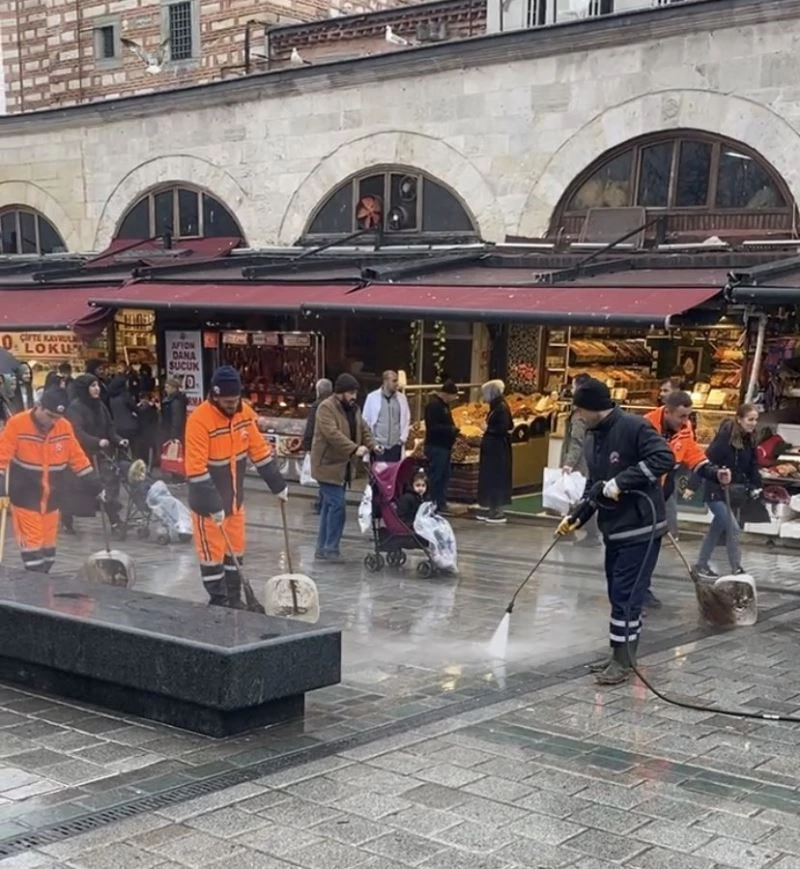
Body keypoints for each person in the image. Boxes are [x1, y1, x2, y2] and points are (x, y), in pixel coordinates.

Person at [556, 378, 675, 686]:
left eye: (581, 410)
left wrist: (622, 481)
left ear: (596, 408)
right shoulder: (596, 437)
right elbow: (597, 486)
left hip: (642, 526)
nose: (579, 417)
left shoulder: (634, 427)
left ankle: (624, 661)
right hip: (616, 529)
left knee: (627, 594)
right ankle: (617, 653)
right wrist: (577, 516)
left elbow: (664, 459)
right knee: (616, 593)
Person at [186, 366, 288, 608]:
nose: (233, 406)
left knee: (235, 555)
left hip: (235, 502)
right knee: (212, 559)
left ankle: (235, 599)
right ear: (216, 395)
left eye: (235, 400)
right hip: (207, 506)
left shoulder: (244, 414)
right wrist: (213, 505)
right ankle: (219, 602)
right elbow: (196, 469)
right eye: (228, 401)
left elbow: (260, 451)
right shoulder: (199, 420)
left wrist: (278, 484)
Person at [0, 388, 103, 573]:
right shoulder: (17, 424)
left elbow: (77, 457)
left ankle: (42, 585)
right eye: (50, 416)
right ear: (39, 407)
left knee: (49, 551)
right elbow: (2, 455)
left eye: (57, 417)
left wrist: (94, 483)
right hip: (25, 496)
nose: (53, 422)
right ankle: (35, 589)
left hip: (53, 498)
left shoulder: (63, 426)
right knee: (33, 548)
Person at [644, 391, 732, 605]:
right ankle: (633, 594)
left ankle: (643, 589)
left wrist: (714, 472)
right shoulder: (645, 427)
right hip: (642, 496)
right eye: (682, 416)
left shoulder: (684, 430)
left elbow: (694, 457)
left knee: (652, 545)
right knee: (640, 545)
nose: (686, 422)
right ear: (667, 412)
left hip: (662, 494)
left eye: (689, 416)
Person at [310, 373, 378, 562]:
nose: (353, 396)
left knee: (329, 507)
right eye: (350, 392)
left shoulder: (354, 408)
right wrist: (354, 448)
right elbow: (332, 434)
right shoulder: (326, 408)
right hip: (326, 465)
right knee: (337, 505)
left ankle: (322, 548)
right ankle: (331, 548)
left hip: (343, 467)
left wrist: (373, 445)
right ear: (339, 392)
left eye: (355, 392)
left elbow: (364, 428)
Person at [690, 404, 761, 579]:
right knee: (733, 528)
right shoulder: (725, 438)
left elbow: (751, 465)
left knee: (717, 528)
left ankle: (701, 564)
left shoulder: (749, 440)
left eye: (755, 420)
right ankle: (736, 568)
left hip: (732, 491)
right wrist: (693, 485)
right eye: (750, 419)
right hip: (716, 489)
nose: (753, 423)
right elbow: (706, 460)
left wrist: (755, 485)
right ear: (739, 419)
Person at [64, 373, 129, 533]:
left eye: (97, 385)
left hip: (101, 454)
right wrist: (96, 441)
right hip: (81, 456)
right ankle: (66, 519)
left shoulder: (100, 405)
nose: (96, 389)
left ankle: (115, 521)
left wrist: (119, 439)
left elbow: (110, 427)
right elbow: (77, 432)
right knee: (74, 491)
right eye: (92, 386)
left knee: (106, 486)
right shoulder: (75, 407)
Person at [560, 373, 602, 547]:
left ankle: (591, 534)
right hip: (585, 461)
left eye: (574, 386)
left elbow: (577, 441)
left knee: (579, 498)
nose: (571, 389)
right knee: (575, 498)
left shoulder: (579, 415)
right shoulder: (589, 412)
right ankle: (567, 530)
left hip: (579, 465)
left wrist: (569, 463)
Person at [476, 379, 513, 524]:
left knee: (496, 478)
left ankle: (497, 510)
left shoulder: (500, 408)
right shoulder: (496, 406)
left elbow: (504, 427)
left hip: (497, 450)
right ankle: (491, 507)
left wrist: (487, 429)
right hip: (494, 449)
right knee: (491, 478)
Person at [424, 379, 460, 514]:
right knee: (436, 475)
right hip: (436, 446)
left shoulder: (445, 406)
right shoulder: (434, 406)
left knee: (444, 476)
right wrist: (450, 430)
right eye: (454, 395)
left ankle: (440, 502)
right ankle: (431, 501)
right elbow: (432, 427)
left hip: (444, 446)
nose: (455, 399)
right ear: (446, 394)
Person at [362, 370, 410, 462]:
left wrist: (402, 439)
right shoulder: (372, 398)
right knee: (379, 474)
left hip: (396, 446)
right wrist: (372, 443)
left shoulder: (401, 398)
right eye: (394, 381)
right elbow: (365, 421)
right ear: (385, 381)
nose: (397, 384)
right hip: (379, 446)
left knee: (394, 475)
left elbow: (406, 418)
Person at [302, 378, 333, 515]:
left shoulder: (317, 406)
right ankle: (323, 502)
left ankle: (322, 503)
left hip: (319, 446)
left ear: (318, 391)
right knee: (326, 476)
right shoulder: (334, 405)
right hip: (331, 446)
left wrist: (307, 445)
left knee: (321, 476)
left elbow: (311, 427)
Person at [108, 374, 141, 454]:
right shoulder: (125, 396)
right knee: (133, 447)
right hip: (130, 426)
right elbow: (135, 409)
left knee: (122, 449)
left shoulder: (111, 398)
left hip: (117, 426)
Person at [161, 379, 188, 445]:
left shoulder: (176, 401)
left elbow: (177, 419)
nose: (165, 389)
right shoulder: (170, 399)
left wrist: (173, 435)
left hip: (173, 432)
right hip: (170, 430)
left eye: (167, 387)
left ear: (174, 388)